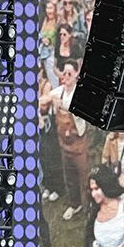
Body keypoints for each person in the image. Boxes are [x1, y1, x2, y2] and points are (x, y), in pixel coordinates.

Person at [39, 60, 90, 220]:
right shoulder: (59, 92)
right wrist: (47, 100)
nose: (66, 76)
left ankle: (89, 207)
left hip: (79, 144)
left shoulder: (80, 93)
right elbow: (43, 100)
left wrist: (63, 105)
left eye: (69, 73)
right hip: (64, 145)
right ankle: (75, 204)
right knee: (69, 177)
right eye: (64, 73)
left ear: (76, 74)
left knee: (84, 177)